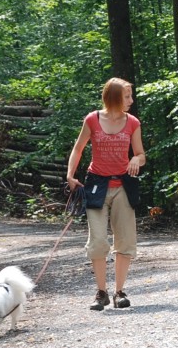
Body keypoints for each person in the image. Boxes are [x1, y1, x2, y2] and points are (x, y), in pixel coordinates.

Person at [66, 77, 146, 310]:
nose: (131, 100)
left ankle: (119, 292)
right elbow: (78, 148)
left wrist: (135, 158)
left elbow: (141, 155)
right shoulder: (92, 119)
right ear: (113, 98)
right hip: (96, 184)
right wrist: (70, 175)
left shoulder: (132, 122)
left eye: (131, 95)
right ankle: (100, 292)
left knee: (125, 240)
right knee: (98, 240)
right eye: (127, 96)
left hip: (123, 185)